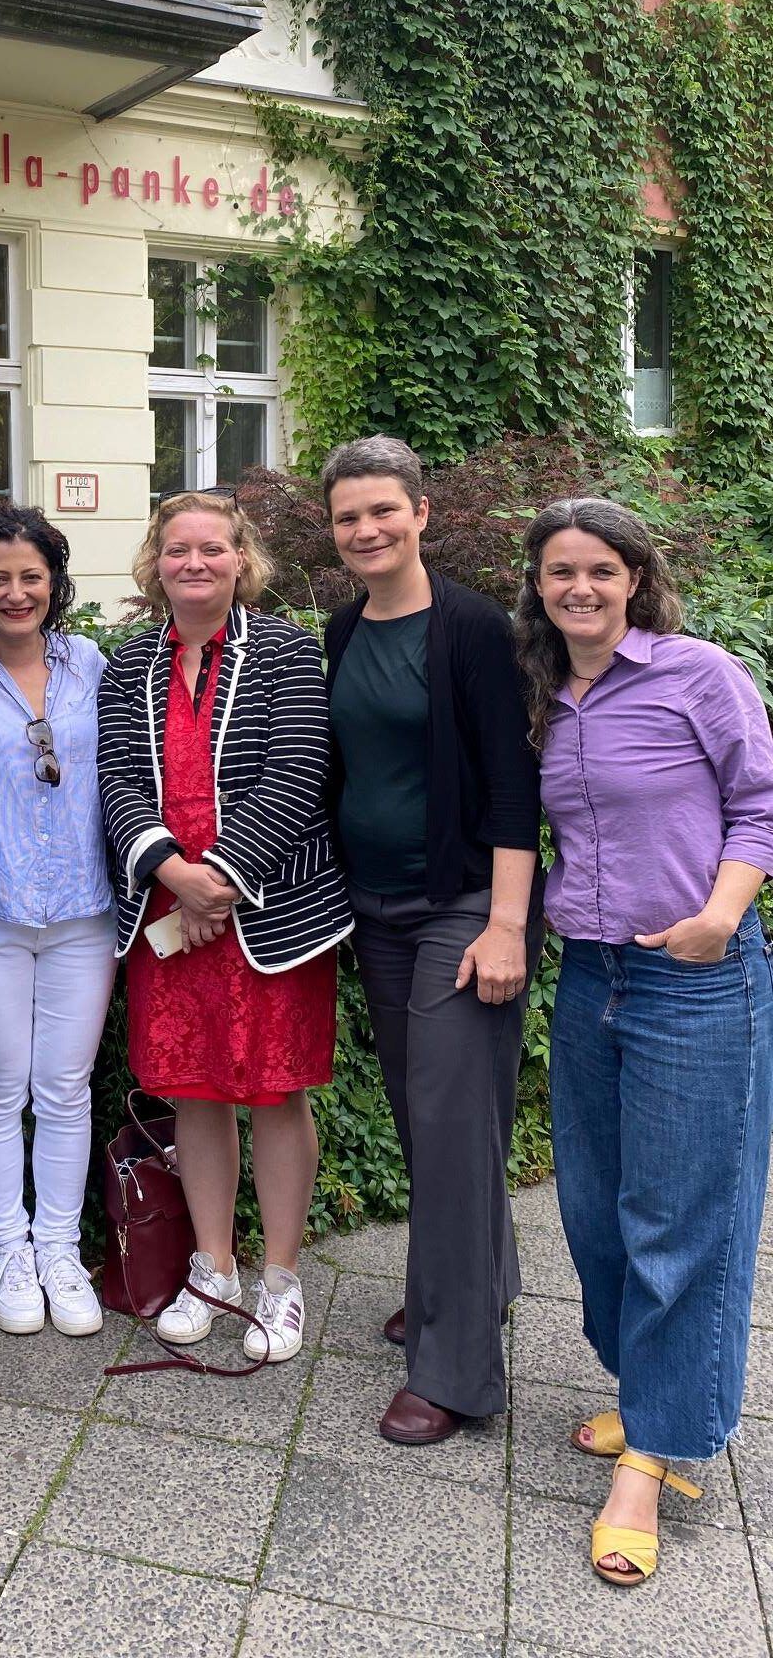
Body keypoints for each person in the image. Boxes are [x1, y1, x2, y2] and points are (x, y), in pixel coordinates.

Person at [517, 497, 773, 1588]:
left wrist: (721, 914)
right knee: (597, 1209)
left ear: (634, 577)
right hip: (593, 974)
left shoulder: (696, 674)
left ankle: (659, 1454)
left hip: (696, 976)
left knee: (683, 1219)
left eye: (598, 571)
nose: (577, 588)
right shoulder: (545, 698)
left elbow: (760, 803)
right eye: (558, 573)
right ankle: (655, 1394)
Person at [321, 437, 542, 1445]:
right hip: (378, 911)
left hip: (461, 906)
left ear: (420, 511)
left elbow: (511, 784)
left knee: (452, 1123)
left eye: (381, 511)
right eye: (347, 517)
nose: (365, 530)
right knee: (431, 1124)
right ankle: (471, 1283)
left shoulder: (472, 630)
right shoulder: (341, 631)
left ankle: (454, 1373)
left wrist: (504, 925)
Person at [97, 491, 350, 1361]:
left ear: (241, 560)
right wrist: (174, 873)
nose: (194, 563)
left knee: (276, 1093)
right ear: (155, 562)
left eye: (212, 548)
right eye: (178, 550)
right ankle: (213, 1268)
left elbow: (299, 768)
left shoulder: (283, 652)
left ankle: (281, 1280)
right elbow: (117, 779)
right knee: (195, 1093)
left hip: (270, 915)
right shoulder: (128, 664)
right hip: (167, 911)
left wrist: (223, 882)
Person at [0, 501, 114, 1337]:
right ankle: (9, 1250)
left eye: (30, 577)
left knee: (67, 1090)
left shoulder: (91, 665)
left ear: (55, 582)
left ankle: (60, 1250)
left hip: (83, 909)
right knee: (1, 1088)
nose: (16, 593)